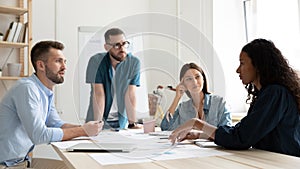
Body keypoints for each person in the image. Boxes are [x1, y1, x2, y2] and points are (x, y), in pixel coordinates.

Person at [169, 39, 300, 157]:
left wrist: (197, 123)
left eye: (242, 63)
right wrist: (199, 134)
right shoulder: (266, 95)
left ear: (258, 65)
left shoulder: (275, 94)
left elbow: (240, 138)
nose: (238, 70)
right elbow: (242, 132)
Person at [0, 40, 103, 169]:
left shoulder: (45, 91)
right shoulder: (27, 89)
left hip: (24, 161)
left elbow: (55, 123)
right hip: (8, 165)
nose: (64, 67)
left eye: (64, 62)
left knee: (72, 167)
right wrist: (83, 131)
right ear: (41, 66)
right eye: (58, 61)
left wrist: (87, 128)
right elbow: (39, 135)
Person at [85, 28, 141, 129]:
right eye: (117, 45)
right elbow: (99, 94)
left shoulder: (133, 62)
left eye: (124, 43)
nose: (122, 48)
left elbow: (130, 94)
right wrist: (98, 124)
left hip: (120, 121)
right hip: (98, 119)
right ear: (106, 47)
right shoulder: (96, 61)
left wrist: (132, 123)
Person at [160, 63, 232, 131]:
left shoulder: (219, 103)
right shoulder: (183, 107)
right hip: (189, 144)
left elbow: (226, 133)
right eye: (189, 79)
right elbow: (165, 127)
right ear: (184, 84)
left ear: (203, 79)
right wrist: (177, 97)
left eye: (197, 77)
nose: (194, 82)